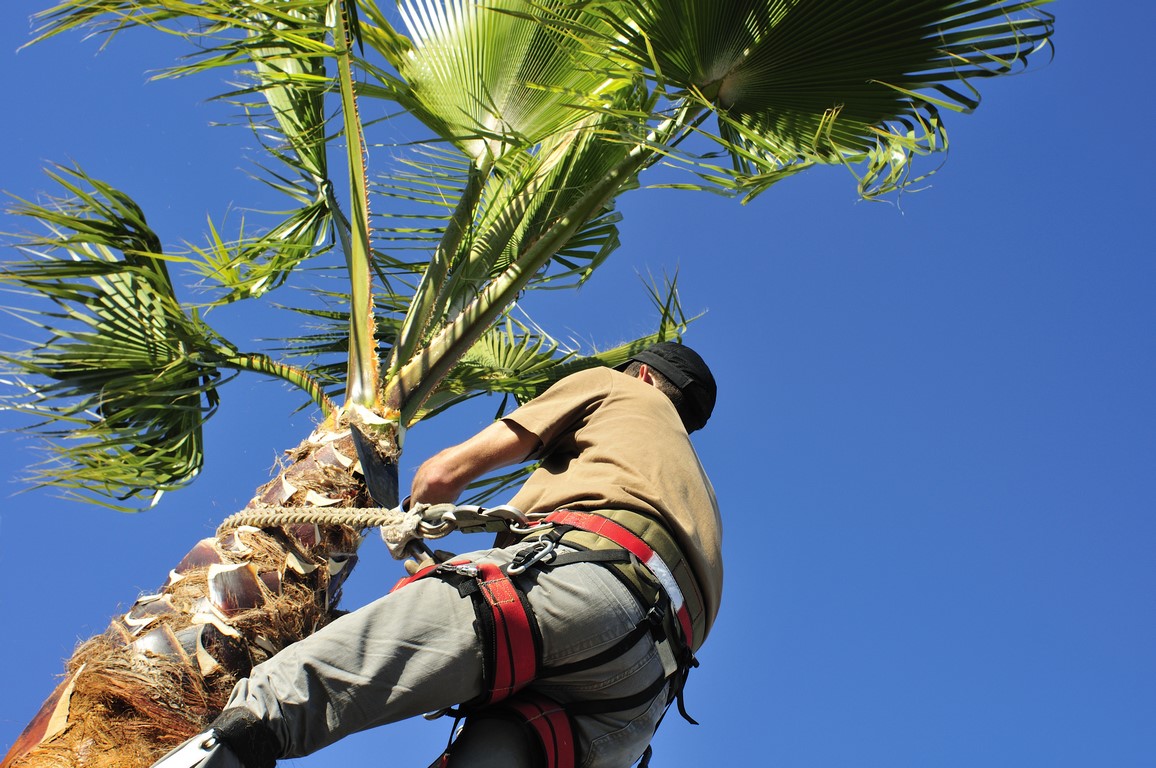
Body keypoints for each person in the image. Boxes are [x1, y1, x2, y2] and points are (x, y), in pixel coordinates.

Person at [153, 341, 721, 768]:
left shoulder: (619, 389)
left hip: (578, 589)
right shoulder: (698, 494)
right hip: (637, 700)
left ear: (643, 373)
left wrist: (412, 522)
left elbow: (445, 473)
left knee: (288, 696)